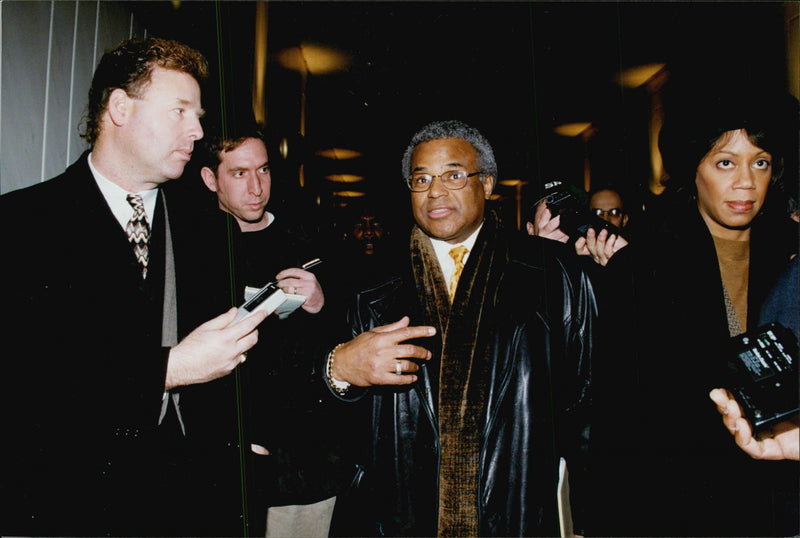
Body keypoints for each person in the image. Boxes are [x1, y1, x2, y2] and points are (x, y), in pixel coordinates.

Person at [0, 38, 267, 536]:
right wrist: (169, 369)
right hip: (70, 507)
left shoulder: (211, 231)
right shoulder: (21, 225)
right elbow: (24, 380)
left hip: (194, 505)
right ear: (119, 108)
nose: (198, 129)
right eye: (180, 111)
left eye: (199, 113)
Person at [321, 119, 595, 536]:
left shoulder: (553, 275)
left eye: (453, 175)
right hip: (398, 514)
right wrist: (339, 370)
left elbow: (587, 404)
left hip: (517, 508)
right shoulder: (366, 286)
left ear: (486, 184)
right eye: (421, 179)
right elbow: (331, 426)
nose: (435, 191)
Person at [581, 85, 799, 536]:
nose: (745, 181)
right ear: (693, 169)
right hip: (677, 501)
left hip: (781, 496)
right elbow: (616, 409)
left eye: (760, 162)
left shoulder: (790, 252)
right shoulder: (644, 264)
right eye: (725, 162)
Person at [172, 120, 358, 537]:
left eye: (264, 170)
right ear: (209, 179)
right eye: (239, 173)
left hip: (302, 457)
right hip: (219, 456)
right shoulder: (186, 248)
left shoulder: (308, 237)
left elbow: (348, 336)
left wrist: (320, 303)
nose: (256, 187)